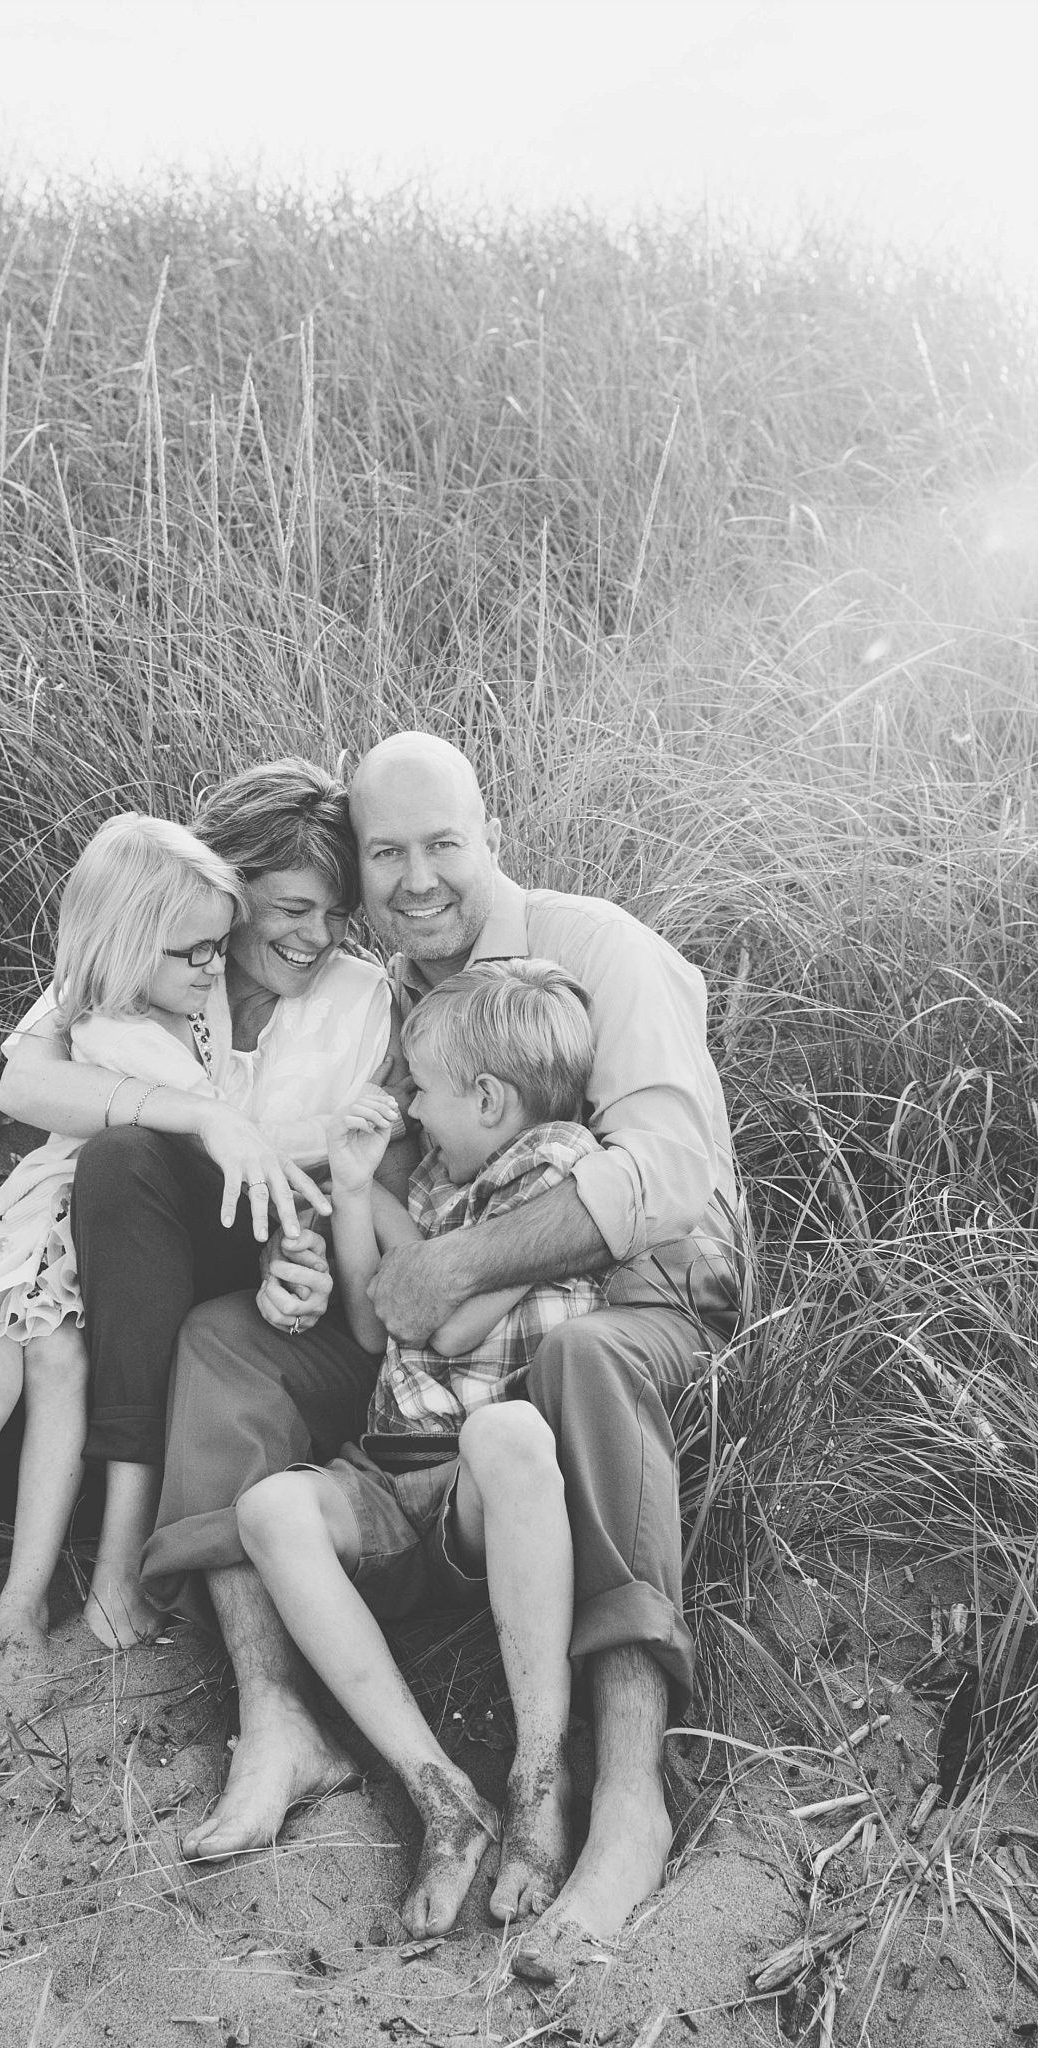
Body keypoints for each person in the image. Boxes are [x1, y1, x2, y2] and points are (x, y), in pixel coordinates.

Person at [138, 732, 742, 1981]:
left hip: (635, 1289)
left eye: (442, 845)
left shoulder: (596, 950)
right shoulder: (389, 998)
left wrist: (462, 1266)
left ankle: (623, 1791)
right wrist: (305, 1257)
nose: (416, 879)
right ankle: (275, 1709)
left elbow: (671, 1174)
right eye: (386, 853)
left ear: (489, 838)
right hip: (428, 1356)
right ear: (358, 869)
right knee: (225, 1342)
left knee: (577, 1362)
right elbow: (377, 1204)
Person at [0, 761, 409, 1649]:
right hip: (106, 1270)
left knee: (124, 1159)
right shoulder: (149, 944)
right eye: (292, 909)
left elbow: (354, 1168)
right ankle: (132, 1482)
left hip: (231, 1272)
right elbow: (25, 1082)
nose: (318, 937)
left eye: (337, 914)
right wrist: (201, 1116)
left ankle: (124, 1535)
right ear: (229, 888)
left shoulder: (353, 1000)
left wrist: (299, 1249)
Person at [238, 961, 605, 1939]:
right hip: (390, 1467)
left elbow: (439, 1322)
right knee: (269, 1507)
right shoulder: (442, 1184)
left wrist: (399, 1233)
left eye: (423, 1089)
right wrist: (355, 1188)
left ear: (486, 1098)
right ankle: (439, 1791)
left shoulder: (557, 1164)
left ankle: (538, 1773)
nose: (409, 1107)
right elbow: (374, 1324)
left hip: (486, 1482)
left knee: (506, 1428)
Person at [0, 813, 260, 1684]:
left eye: (220, 946)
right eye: (194, 951)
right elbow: (194, 1109)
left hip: (101, 1234)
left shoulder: (188, 1000)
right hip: (50, 1225)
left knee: (52, 1372)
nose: (213, 965)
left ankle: (19, 1603)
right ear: (127, 946)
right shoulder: (108, 1019)